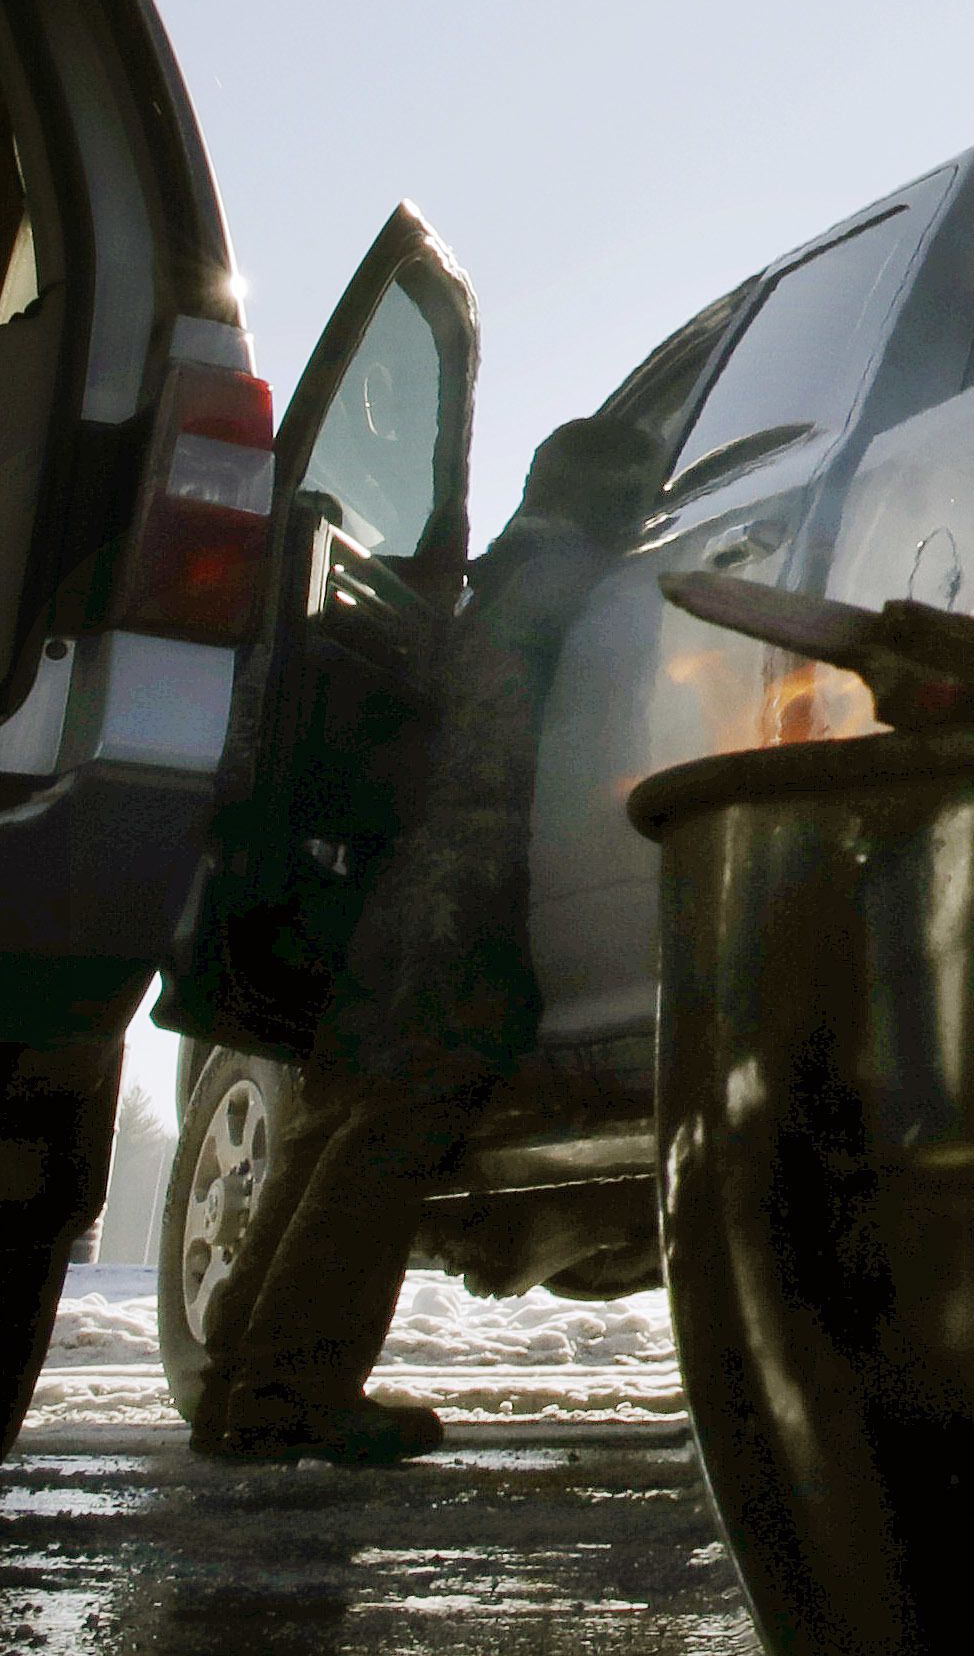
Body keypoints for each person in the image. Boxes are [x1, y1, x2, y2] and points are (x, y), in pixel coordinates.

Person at [186, 413, 664, 1462]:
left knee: (336, 1121)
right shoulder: (573, 581)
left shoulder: (496, 578)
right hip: (472, 891)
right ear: (607, 495)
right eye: (639, 487)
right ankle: (294, 1391)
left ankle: (241, 1385)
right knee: (392, 1133)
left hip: (401, 886)